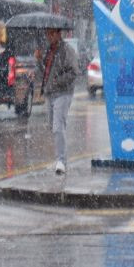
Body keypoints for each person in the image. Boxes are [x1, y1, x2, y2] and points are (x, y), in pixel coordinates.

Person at [36, 26, 79, 175]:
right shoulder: (49, 51)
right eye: (47, 33)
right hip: (50, 94)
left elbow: (73, 72)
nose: (49, 36)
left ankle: (61, 161)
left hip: (63, 93)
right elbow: (45, 73)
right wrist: (38, 61)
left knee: (58, 126)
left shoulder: (66, 50)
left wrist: (56, 81)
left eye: (51, 33)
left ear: (58, 34)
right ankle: (60, 158)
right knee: (52, 126)